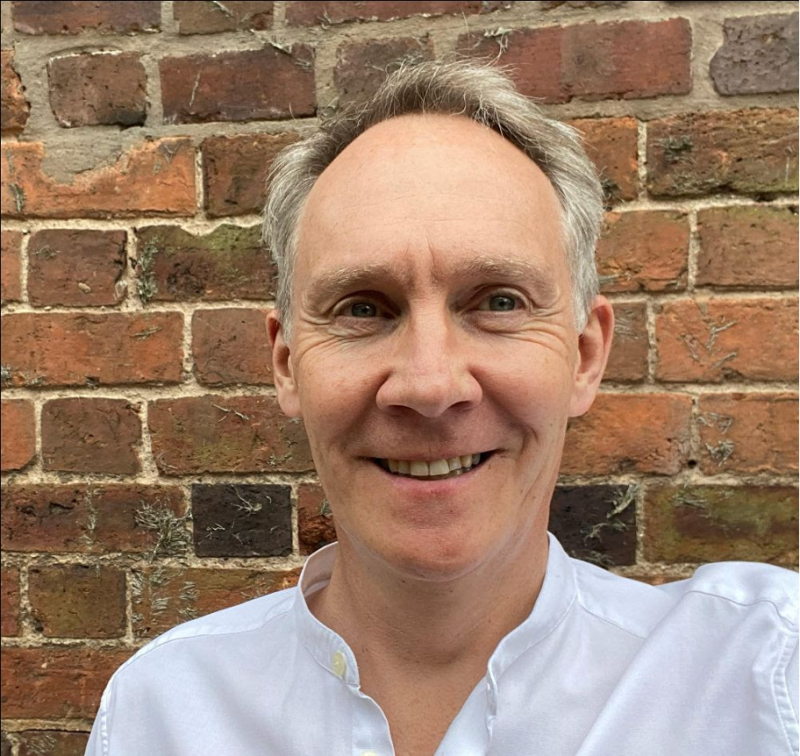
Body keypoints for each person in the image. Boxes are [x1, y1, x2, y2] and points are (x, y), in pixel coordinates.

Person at [85, 58, 799, 756]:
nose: (430, 386)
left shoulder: (759, 677)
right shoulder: (163, 710)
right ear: (286, 365)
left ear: (584, 356)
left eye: (497, 302)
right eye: (363, 308)